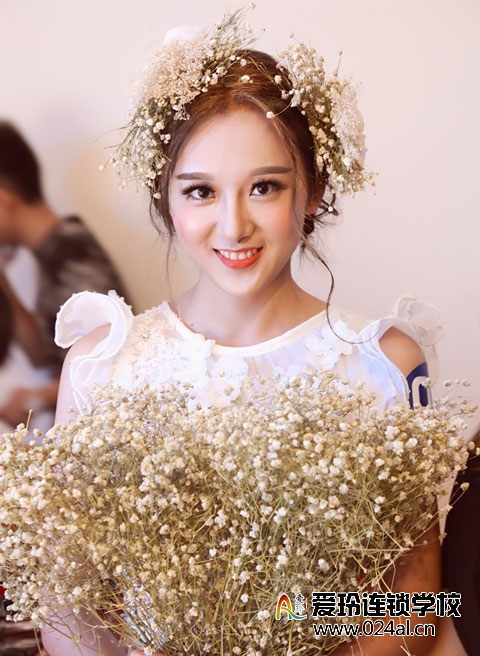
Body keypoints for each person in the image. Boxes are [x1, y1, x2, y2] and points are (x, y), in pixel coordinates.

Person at [41, 10, 442, 656]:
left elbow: (418, 603)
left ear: (312, 192)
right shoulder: (100, 366)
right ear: (166, 198)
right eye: (200, 192)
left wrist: (299, 627)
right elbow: (70, 606)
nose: (233, 226)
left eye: (264, 187)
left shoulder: (383, 363)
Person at [0, 121, 131, 428]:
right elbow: (42, 355)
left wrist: (35, 398)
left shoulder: (72, 252)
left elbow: (107, 360)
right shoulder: (52, 253)